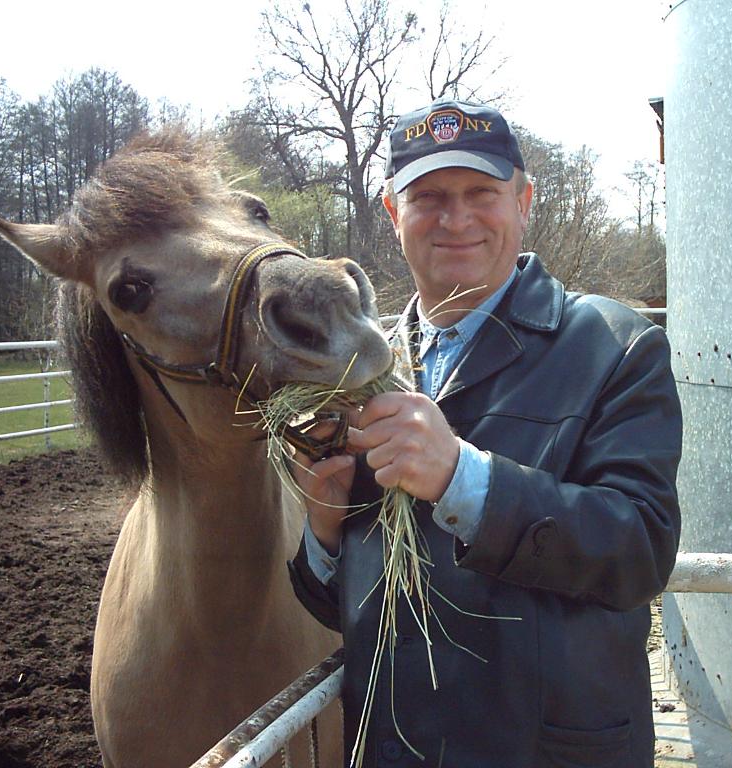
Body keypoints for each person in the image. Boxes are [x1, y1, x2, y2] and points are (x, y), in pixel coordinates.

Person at [287, 98, 682, 768]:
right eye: (430, 196)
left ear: (524, 201)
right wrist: (325, 535)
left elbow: (640, 550)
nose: (457, 218)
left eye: (482, 193)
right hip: (398, 750)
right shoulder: (358, 370)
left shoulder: (615, 347)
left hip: (549, 750)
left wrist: (464, 479)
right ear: (393, 215)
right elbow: (348, 610)